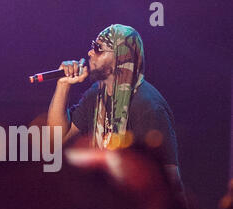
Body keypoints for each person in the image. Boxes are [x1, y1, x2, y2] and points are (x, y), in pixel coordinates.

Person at [47, 24, 183, 192]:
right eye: (92, 46)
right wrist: (63, 85)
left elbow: (169, 181)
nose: (90, 53)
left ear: (120, 57)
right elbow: (57, 142)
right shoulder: (96, 94)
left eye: (98, 48)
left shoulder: (147, 106)